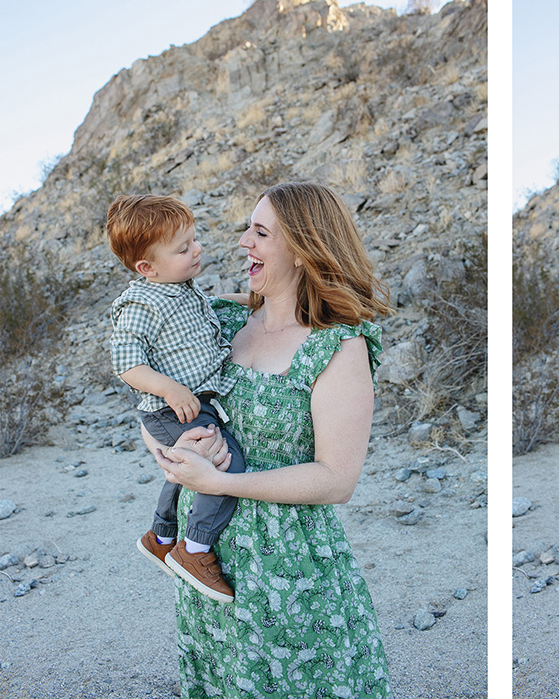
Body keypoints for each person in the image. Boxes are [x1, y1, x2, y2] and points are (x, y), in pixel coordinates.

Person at [146, 182, 394, 698]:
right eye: (247, 229)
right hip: (208, 560)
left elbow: (336, 480)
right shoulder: (222, 319)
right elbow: (148, 393)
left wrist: (217, 478)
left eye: (260, 233)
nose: (242, 243)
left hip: (288, 565)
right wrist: (170, 453)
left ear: (304, 250)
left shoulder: (337, 347)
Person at [107, 194, 245, 603]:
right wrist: (169, 387)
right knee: (224, 463)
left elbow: (214, 307)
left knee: (185, 467)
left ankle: (161, 535)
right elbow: (127, 364)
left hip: (191, 403)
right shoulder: (140, 304)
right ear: (147, 267)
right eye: (183, 248)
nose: (197, 249)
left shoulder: (180, 287)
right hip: (173, 406)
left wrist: (256, 301)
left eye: (195, 239)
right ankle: (195, 550)